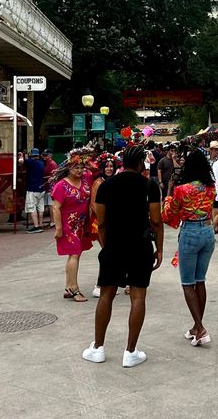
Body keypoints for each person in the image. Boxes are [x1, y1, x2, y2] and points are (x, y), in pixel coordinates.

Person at [82, 146, 163, 368]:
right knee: (138, 296)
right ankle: (130, 351)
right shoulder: (149, 186)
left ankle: (98, 347)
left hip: (114, 245)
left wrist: (106, 246)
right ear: (140, 164)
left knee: (107, 294)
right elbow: (156, 220)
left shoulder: (106, 186)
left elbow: (101, 221)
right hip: (140, 245)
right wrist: (160, 248)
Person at [162, 149, 216, 346]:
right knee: (200, 281)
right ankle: (196, 326)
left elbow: (168, 214)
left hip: (190, 232)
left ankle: (200, 328)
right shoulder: (212, 187)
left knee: (187, 282)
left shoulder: (181, 189)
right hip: (208, 231)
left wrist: (168, 192)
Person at [51, 148, 94, 301]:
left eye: (82, 167)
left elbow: (95, 169)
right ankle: (74, 288)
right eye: (76, 167)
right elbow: (56, 207)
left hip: (81, 225)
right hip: (68, 225)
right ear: (69, 167)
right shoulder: (61, 186)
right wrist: (59, 228)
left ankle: (69, 286)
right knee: (74, 254)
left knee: (75, 255)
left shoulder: (86, 180)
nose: (80, 170)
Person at [90, 152, 120, 298]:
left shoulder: (115, 180)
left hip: (114, 222)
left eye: (111, 166)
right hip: (102, 223)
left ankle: (113, 281)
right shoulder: (98, 183)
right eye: (106, 166)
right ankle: (99, 285)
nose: (109, 168)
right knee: (107, 253)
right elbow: (94, 205)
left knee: (113, 253)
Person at [19, 148, 46, 233]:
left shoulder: (30, 162)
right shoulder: (41, 163)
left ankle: (36, 226)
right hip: (41, 188)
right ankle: (41, 225)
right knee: (40, 208)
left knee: (32, 207)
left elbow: (21, 161)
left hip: (32, 189)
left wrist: (21, 155)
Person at [42, 149, 59, 228]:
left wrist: (44, 177)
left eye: (46, 155)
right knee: (49, 205)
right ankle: (52, 221)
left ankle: (53, 222)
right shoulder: (46, 163)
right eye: (44, 155)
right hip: (47, 186)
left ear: (50, 155)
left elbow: (54, 175)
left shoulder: (52, 164)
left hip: (50, 187)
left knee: (51, 205)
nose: (44, 157)